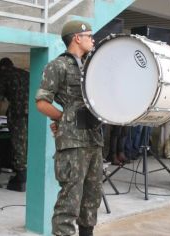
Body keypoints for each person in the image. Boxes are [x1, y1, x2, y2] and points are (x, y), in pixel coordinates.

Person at [35, 20, 103, 236]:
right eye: (89, 35)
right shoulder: (58, 65)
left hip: (94, 139)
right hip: (73, 143)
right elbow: (42, 102)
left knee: (92, 196)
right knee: (70, 198)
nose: (92, 39)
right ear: (77, 37)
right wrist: (64, 119)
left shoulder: (91, 66)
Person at [0, 57, 30, 192]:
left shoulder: (3, 75)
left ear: (1, 67)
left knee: (19, 143)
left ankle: (21, 179)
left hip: (18, 113)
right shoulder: (25, 73)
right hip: (35, 112)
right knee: (29, 142)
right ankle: (29, 175)